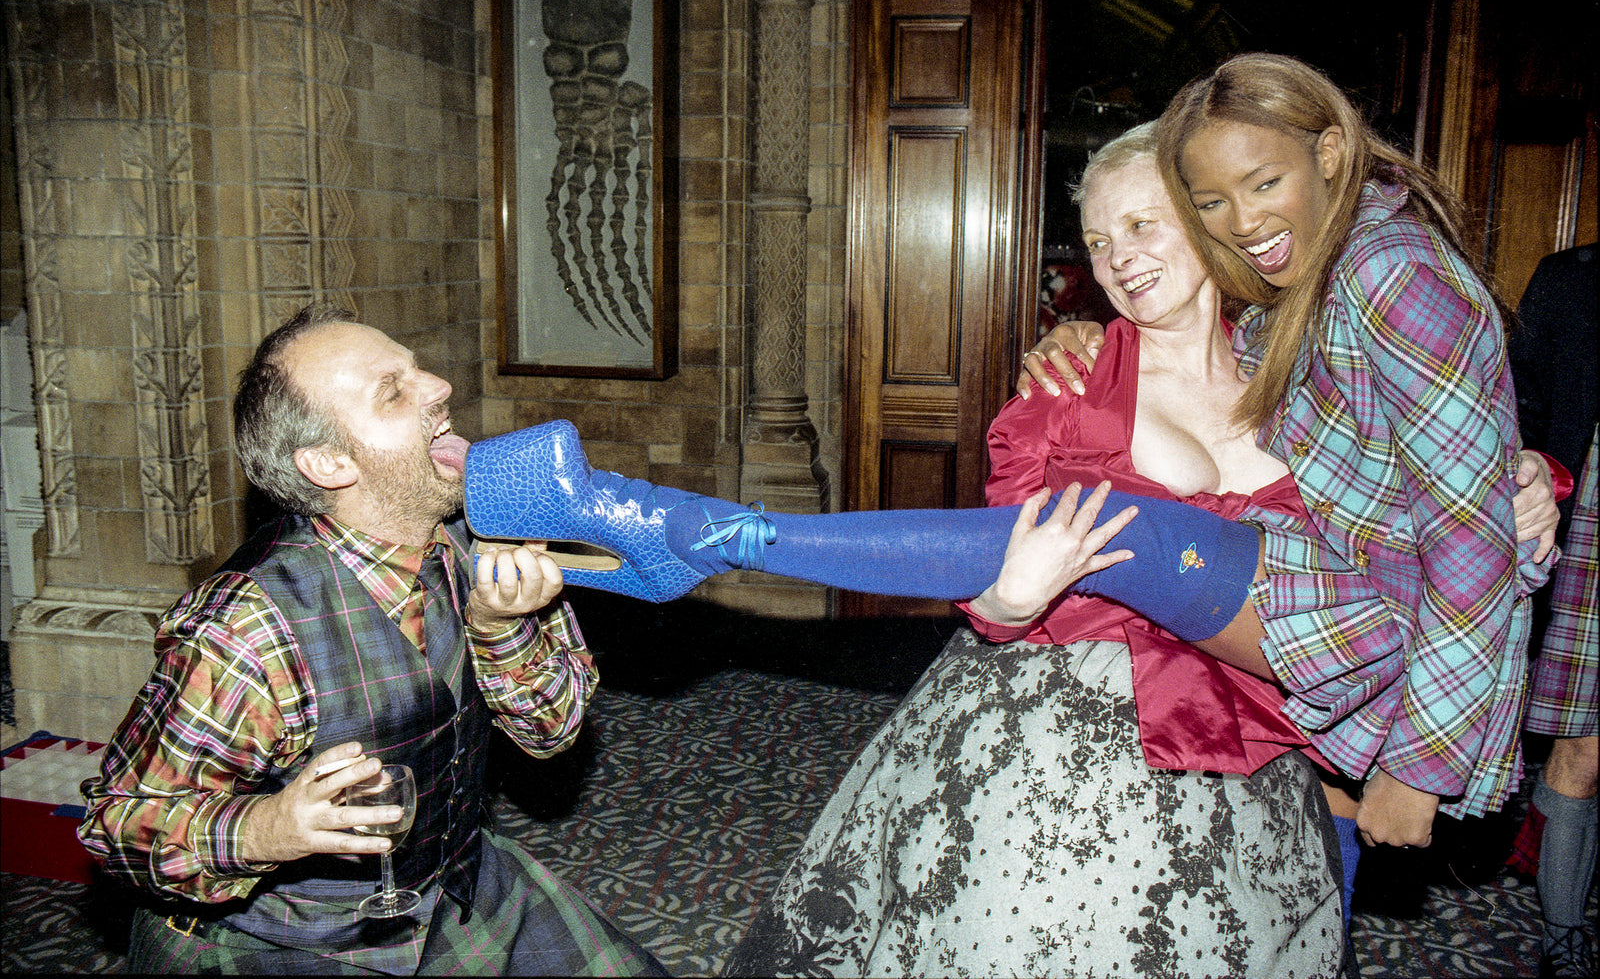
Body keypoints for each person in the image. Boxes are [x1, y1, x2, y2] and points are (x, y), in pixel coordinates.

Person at [719, 123, 1347, 978]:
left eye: (1142, 224)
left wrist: (1520, 481)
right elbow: (987, 560)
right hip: (1059, 732)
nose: (1118, 258)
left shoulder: (1298, 376)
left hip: (1247, 734)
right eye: (1098, 240)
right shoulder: (1069, 387)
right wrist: (1009, 602)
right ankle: (726, 535)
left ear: (1206, 219)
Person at [1021, 52, 1553, 856]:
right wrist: (1081, 336)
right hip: (1338, 637)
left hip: (1403, 652)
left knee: (1133, 545)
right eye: (1213, 202)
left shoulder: (1389, 271)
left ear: (1330, 152)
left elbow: (1469, 536)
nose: (1241, 221)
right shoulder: (1291, 292)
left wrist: (1421, 765)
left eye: (1264, 183)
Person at [78, 305, 666, 976]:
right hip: (283, 941)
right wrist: (271, 828)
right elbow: (119, 825)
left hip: (453, 884)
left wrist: (501, 629)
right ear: (329, 463)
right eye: (394, 391)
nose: (440, 387)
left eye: (418, 370)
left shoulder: (482, 538)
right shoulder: (247, 627)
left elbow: (553, 730)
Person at [1505, 243, 1598, 979]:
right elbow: (1521, 417)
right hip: (1591, 537)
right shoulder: (1573, 283)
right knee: (1586, 750)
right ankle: (1565, 935)